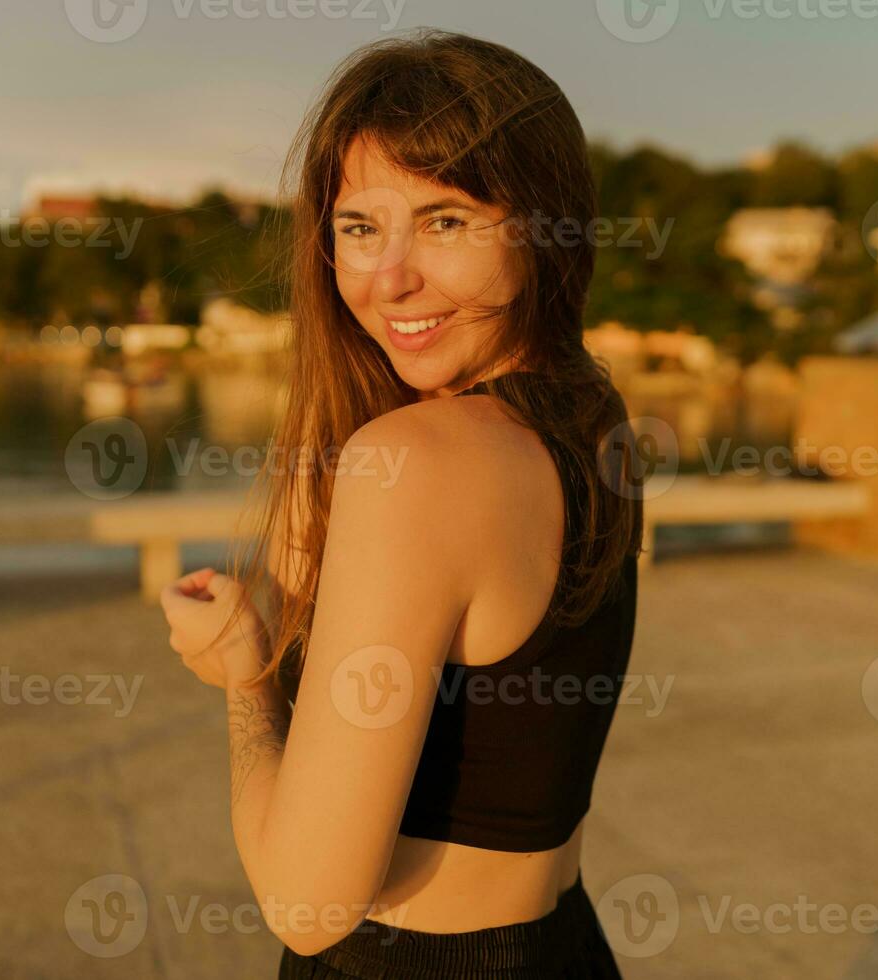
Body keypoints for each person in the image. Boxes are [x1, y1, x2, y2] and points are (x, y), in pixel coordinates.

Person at [161, 28, 643, 978]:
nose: (388, 281)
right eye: (358, 228)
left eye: (446, 220)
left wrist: (244, 674)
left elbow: (306, 904)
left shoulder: (420, 462)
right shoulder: (592, 410)